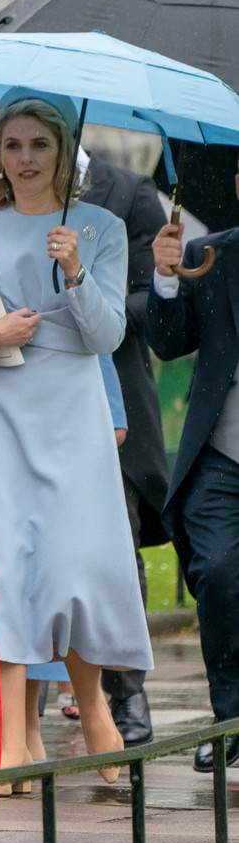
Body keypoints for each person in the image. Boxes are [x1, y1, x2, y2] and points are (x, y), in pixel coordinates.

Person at [0, 88, 153, 790]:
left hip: (72, 404)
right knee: (6, 570)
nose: (25, 158)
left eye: (39, 144)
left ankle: (94, 706)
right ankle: (10, 737)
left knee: (69, 565)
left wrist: (76, 271)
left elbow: (110, 334)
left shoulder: (98, 227)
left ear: (64, 150)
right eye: (12, 145)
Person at [148, 163, 239, 773]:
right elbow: (168, 340)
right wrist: (164, 278)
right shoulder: (207, 256)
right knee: (219, 572)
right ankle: (229, 717)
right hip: (221, 452)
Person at [81, 155, 170, 748]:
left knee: (116, 547)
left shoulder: (130, 193)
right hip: (28, 393)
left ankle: (127, 691)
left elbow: (150, 305)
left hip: (113, 399)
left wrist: (85, 303)